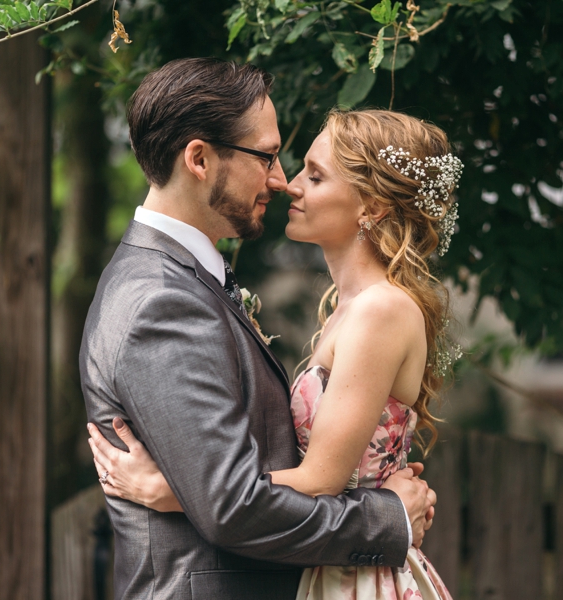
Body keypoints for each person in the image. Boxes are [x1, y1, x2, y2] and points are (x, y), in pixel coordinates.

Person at [79, 58, 437, 600]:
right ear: (198, 159)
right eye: (267, 156)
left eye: (308, 173)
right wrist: (387, 519)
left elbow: (253, 486)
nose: (282, 180)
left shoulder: (186, 283)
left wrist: (171, 490)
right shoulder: (161, 300)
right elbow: (230, 503)